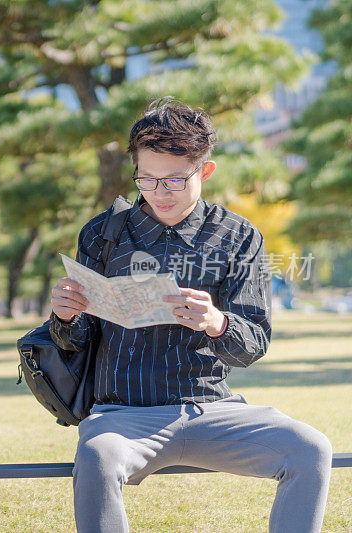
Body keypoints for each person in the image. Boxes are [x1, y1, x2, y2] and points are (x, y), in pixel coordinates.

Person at [49, 98, 333, 533]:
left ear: (205, 171)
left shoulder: (239, 236)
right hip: (123, 414)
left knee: (310, 449)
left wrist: (217, 322)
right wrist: (66, 318)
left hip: (212, 409)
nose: (160, 192)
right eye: (148, 179)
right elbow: (77, 342)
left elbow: (254, 343)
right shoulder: (103, 234)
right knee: (96, 455)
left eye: (176, 180)